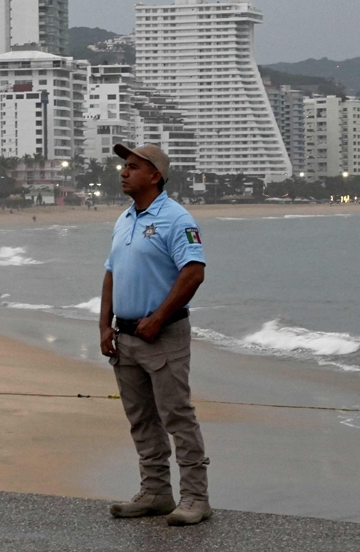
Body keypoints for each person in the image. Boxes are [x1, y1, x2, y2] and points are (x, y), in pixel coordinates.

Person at [101, 143, 211, 526]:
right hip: (126, 336)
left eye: (132, 167)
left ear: (155, 175)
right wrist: (105, 325)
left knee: (177, 416)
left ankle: (196, 497)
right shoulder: (124, 218)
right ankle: (155, 493)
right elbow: (111, 273)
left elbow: (193, 272)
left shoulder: (177, 219)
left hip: (163, 336)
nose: (124, 172)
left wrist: (158, 318)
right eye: (124, 166)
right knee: (141, 419)